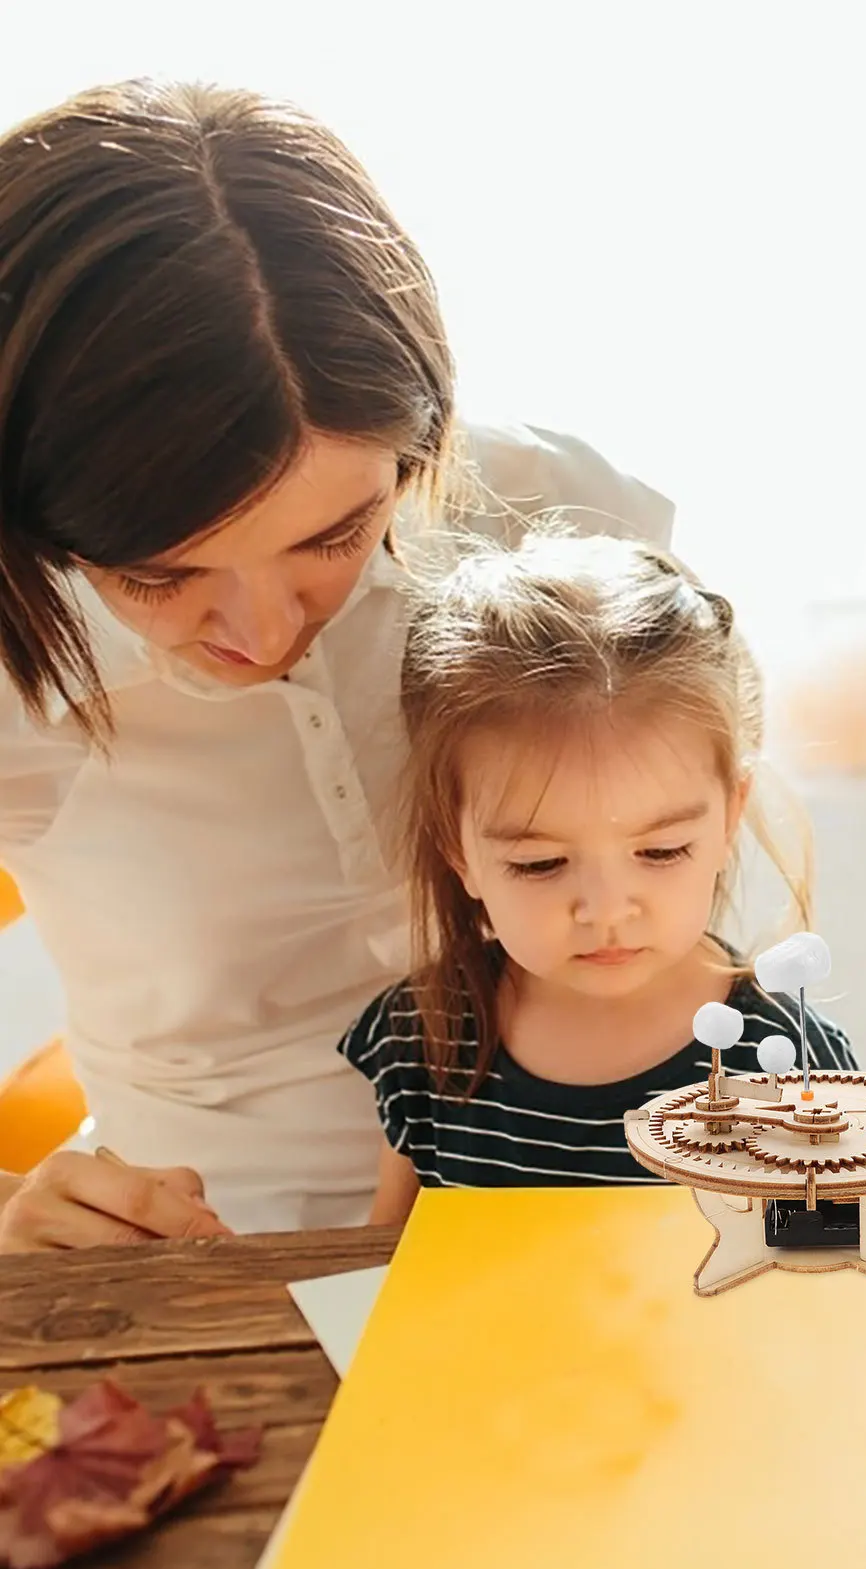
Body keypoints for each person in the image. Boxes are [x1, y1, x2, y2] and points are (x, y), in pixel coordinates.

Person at [0, 79, 670, 1250]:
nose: (262, 633)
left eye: (332, 539)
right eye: (161, 574)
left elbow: (696, 881)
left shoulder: (550, 520)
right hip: (210, 1265)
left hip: (585, 1227)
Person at [336, 532, 857, 1220]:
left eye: (662, 851)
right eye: (541, 864)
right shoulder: (423, 1037)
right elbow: (386, 1264)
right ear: (455, 849)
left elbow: (828, 1277)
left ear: (730, 816)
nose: (608, 910)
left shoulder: (780, 1058)